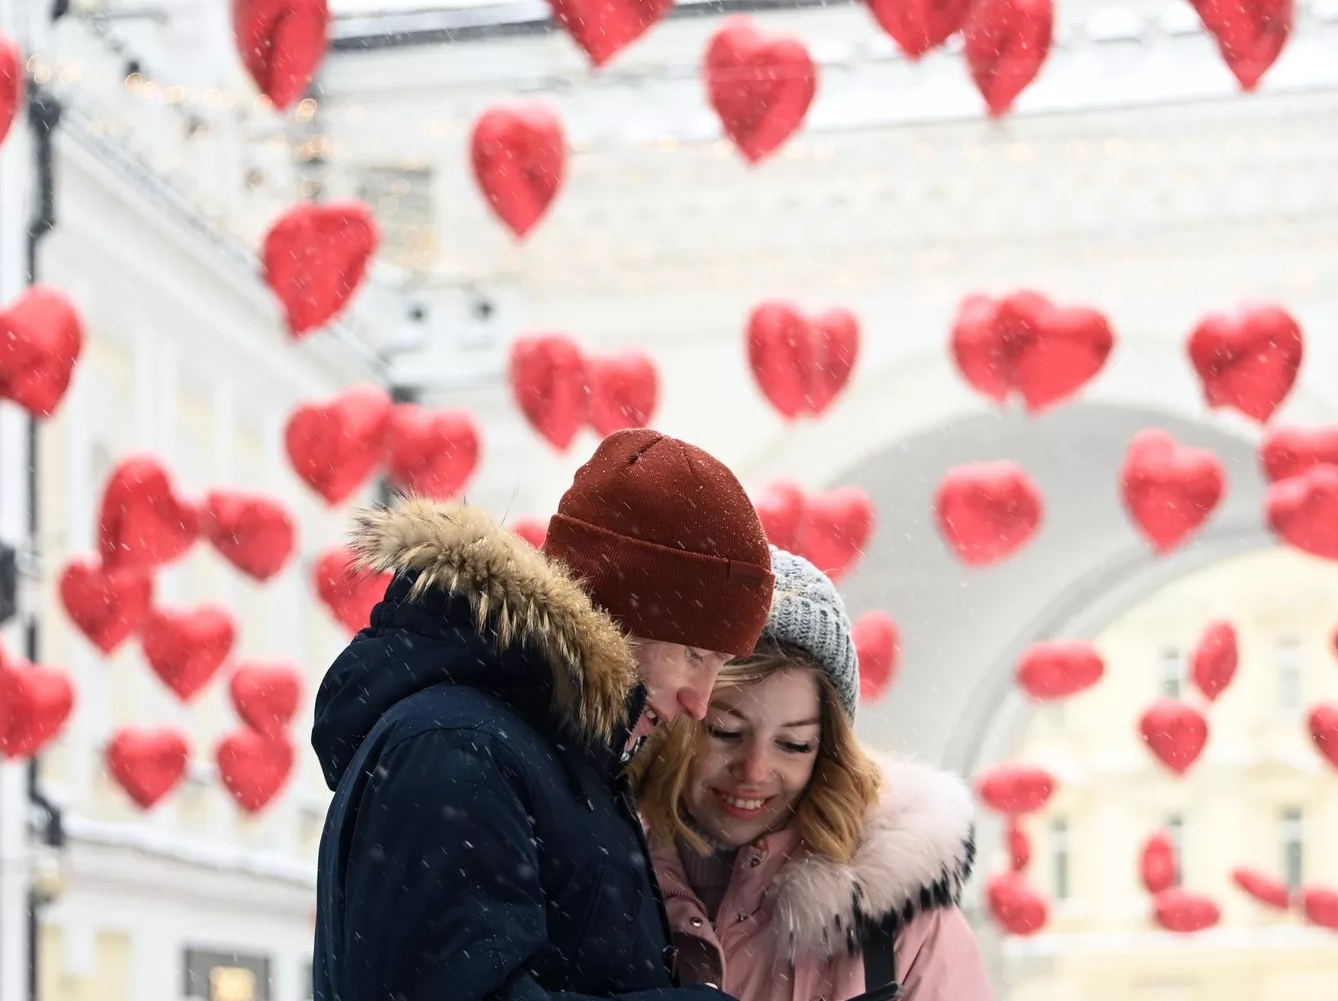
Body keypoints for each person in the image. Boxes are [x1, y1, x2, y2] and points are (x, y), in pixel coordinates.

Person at [309, 428, 777, 1000]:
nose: (699, 702)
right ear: (615, 611)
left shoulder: (547, 755)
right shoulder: (455, 748)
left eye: (719, 664)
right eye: (693, 655)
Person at [634, 550, 992, 1001]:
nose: (755, 770)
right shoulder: (597, 880)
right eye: (726, 732)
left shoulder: (902, 922)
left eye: (794, 744)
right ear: (679, 722)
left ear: (827, 750)